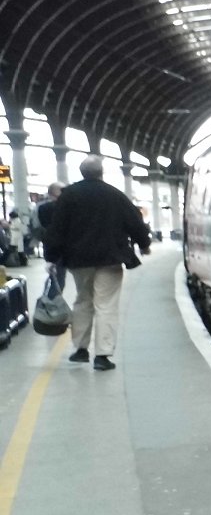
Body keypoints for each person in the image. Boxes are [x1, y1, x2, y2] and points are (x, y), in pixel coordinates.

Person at [43, 156, 151, 371]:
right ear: (101, 172)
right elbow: (135, 222)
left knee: (83, 300)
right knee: (106, 305)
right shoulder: (115, 195)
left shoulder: (69, 196)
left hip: (78, 259)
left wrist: (51, 257)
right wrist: (144, 244)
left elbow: (57, 229)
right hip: (110, 258)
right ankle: (102, 355)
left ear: (82, 173)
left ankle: (81, 350)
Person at [32, 182, 65, 290]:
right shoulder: (58, 206)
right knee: (59, 280)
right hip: (58, 248)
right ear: (56, 192)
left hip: (49, 247)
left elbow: (36, 227)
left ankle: (49, 303)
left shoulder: (39, 207)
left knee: (55, 277)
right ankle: (50, 304)